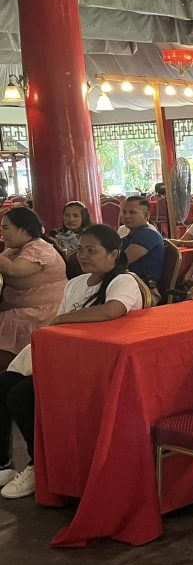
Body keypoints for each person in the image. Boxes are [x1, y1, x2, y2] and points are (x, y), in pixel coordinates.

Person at [0, 224, 144, 498]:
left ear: (113, 254)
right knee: (4, 383)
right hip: (65, 357)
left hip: (96, 364)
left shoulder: (122, 281)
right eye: (80, 249)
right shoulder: (76, 283)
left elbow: (111, 310)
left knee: (21, 396)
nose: (83, 255)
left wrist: (62, 319)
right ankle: (3, 463)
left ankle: (39, 465)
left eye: (92, 250)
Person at [0, 208, 67, 367]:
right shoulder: (15, 249)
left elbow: (14, 270)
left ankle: (10, 370)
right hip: (20, 306)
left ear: (22, 230)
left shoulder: (39, 248)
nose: (2, 233)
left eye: (5, 228)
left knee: (5, 320)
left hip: (43, 311)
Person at [119, 196, 165, 291]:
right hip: (129, 285)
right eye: (124, 212)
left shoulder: (148, 234)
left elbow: (121, 262)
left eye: (132, 212)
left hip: (145, 290)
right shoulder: (132, 234)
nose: (126, 216)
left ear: (146, 215)